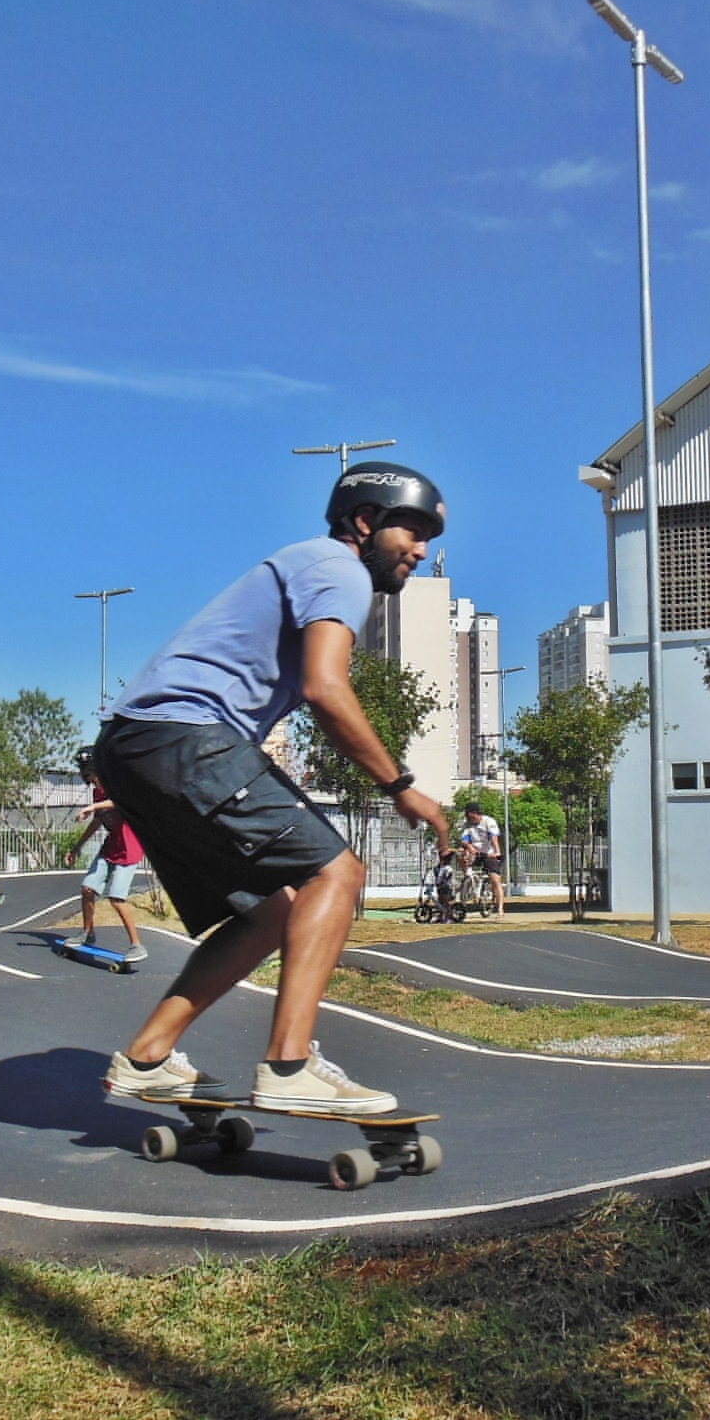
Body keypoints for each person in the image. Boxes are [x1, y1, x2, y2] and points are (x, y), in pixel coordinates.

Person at [91, 459, 451, 1115]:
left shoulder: (306, 564)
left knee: (272, 914)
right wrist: (400, 784)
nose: (422, 551)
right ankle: (289, 1067)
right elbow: (325, 687)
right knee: (337, 874)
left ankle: (148, 1057)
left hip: (138, 743)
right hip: (184, 736)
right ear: (364, 522)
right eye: (412, 532)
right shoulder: (339, 569)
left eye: (430, 536)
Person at [66, 755, 150, 960]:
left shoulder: (118, 786)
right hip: (110, 848)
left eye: (94, 777)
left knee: (116, 899)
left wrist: (93, 807)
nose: (94, 782)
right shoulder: (98, 793)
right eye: (90, 779)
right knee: (87, 889)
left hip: (129, 850)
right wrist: (77, 847)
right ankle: (87, 933)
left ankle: (137, 945)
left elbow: (120, 802)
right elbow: (97, 822)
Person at [458, 798, 505, 917]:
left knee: (495, 880)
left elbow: (494, 838)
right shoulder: (467, 825)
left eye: (471, 816)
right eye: (468, 817)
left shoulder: (488, 822)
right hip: (475, 853)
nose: (470, 819)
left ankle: (500, 908)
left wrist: (497, 852)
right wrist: (469, 847)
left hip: (489, 853)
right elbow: (464, 840)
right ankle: (467, 876)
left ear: (476, 814)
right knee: (461, 853)